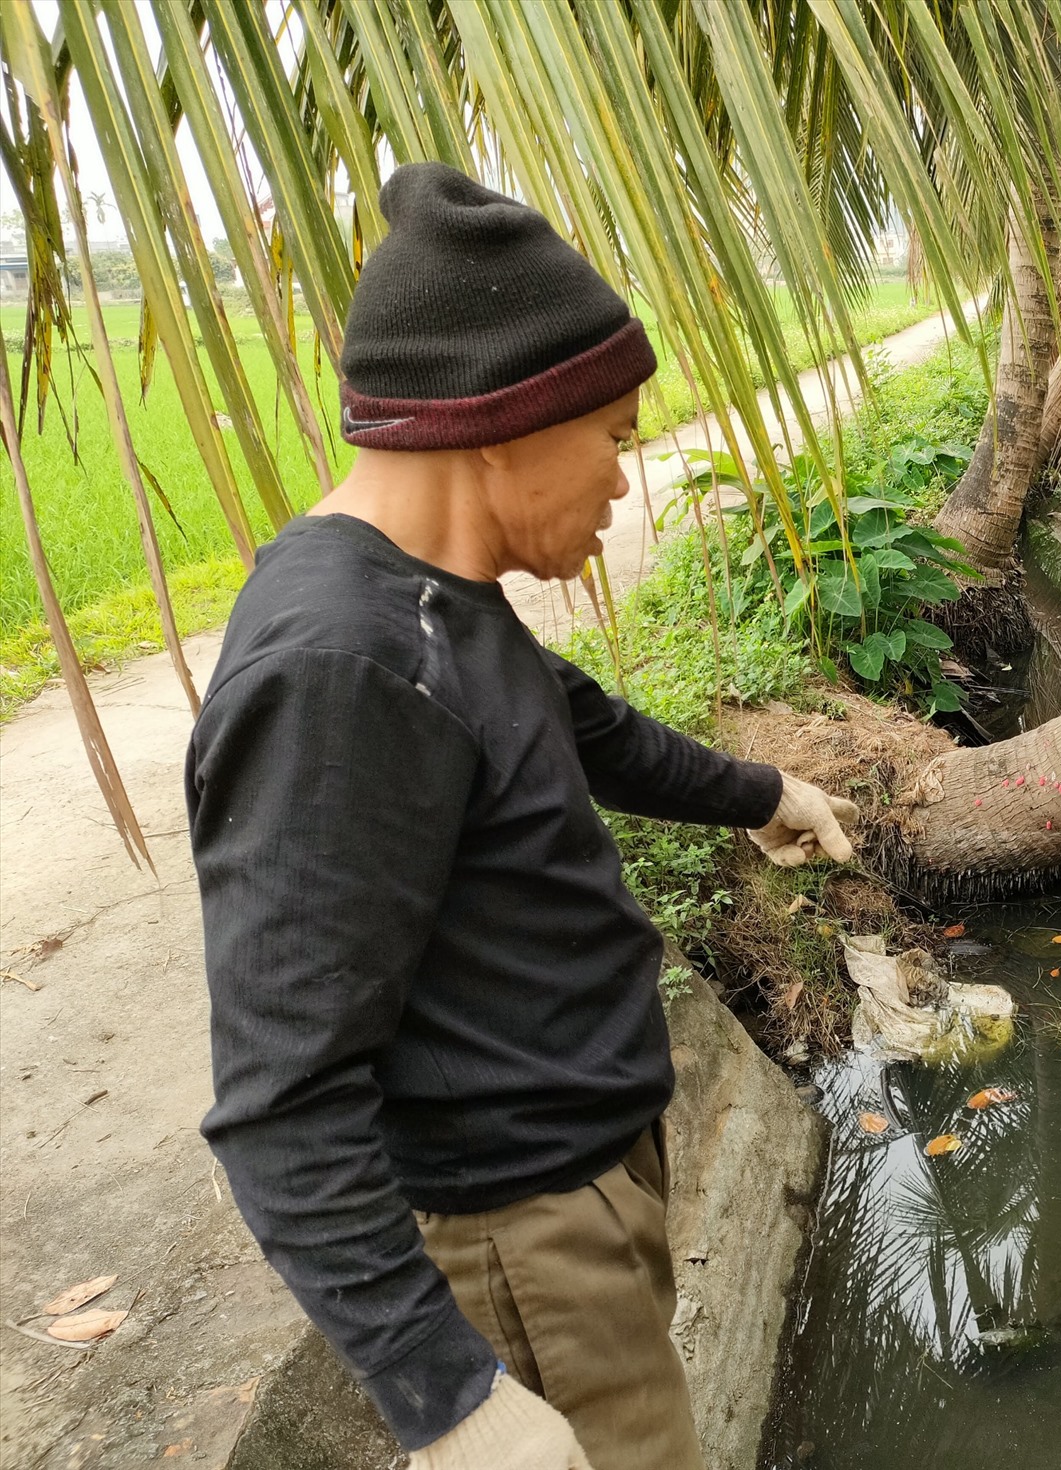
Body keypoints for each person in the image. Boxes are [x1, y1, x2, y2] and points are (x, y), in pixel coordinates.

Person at [185, 163, 856, 1470]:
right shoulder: (341, 668)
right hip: (522, 1235)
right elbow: (279, 1092)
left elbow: (581, 721)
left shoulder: (432, 594)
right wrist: (452, 1396)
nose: (626, 473)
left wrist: (764, 794)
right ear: (494, 426)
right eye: (612, 430)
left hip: (579, 1187)